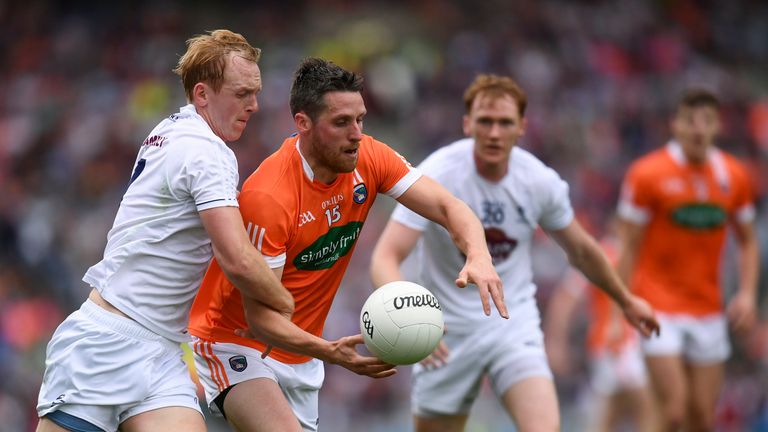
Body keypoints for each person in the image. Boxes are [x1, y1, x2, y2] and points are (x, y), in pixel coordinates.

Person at [186, 57, 508, 432]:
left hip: (301, 354)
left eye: (360, 119)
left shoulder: (368, 156)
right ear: (302, 124)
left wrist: (479, 255)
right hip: (234, 344)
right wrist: (334, 353)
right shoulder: (270, 197)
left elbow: (449, 206)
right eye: (341, 123)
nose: (356, 133)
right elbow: (261, 319)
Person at [369, 74, 660, 432]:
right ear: (467, 124)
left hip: (512, 325)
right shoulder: (436, 174)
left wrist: (626, 299)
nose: (494, 133)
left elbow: (583, 251)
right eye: (485, 121)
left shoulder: (538, 181)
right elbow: (386, 256)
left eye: (505, 122)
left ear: (522, 127)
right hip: (445, 333)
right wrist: (411, 326)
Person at [36, 30, 294, 432]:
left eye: (256, 92)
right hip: (107, 344)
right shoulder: (207, 152)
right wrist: (284, 305)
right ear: (203, 94)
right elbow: (237, 260)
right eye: (242, 93)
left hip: (161, 352)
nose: (254, 105)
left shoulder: (173, 129)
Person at [616, 88, 759, 431]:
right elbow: (627, 245)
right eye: (690, 120)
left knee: (701, 419)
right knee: (674, 410)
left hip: (708, 308)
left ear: (718, 126)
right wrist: (622, 302)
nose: (698, 129)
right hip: (658, 306)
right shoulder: (646, 174)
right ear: (674, 125)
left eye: (706, 120)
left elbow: (748, 240)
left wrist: (748, 294)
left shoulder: (735, 176)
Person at [545, 226, 656, 432]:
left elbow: (565, 300)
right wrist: (556, 342)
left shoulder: (645, 253)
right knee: (647, 407)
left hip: (627, 346)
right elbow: (566, 299)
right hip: (616, 346)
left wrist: (556, 341)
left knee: (614, 413)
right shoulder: (604, 254)